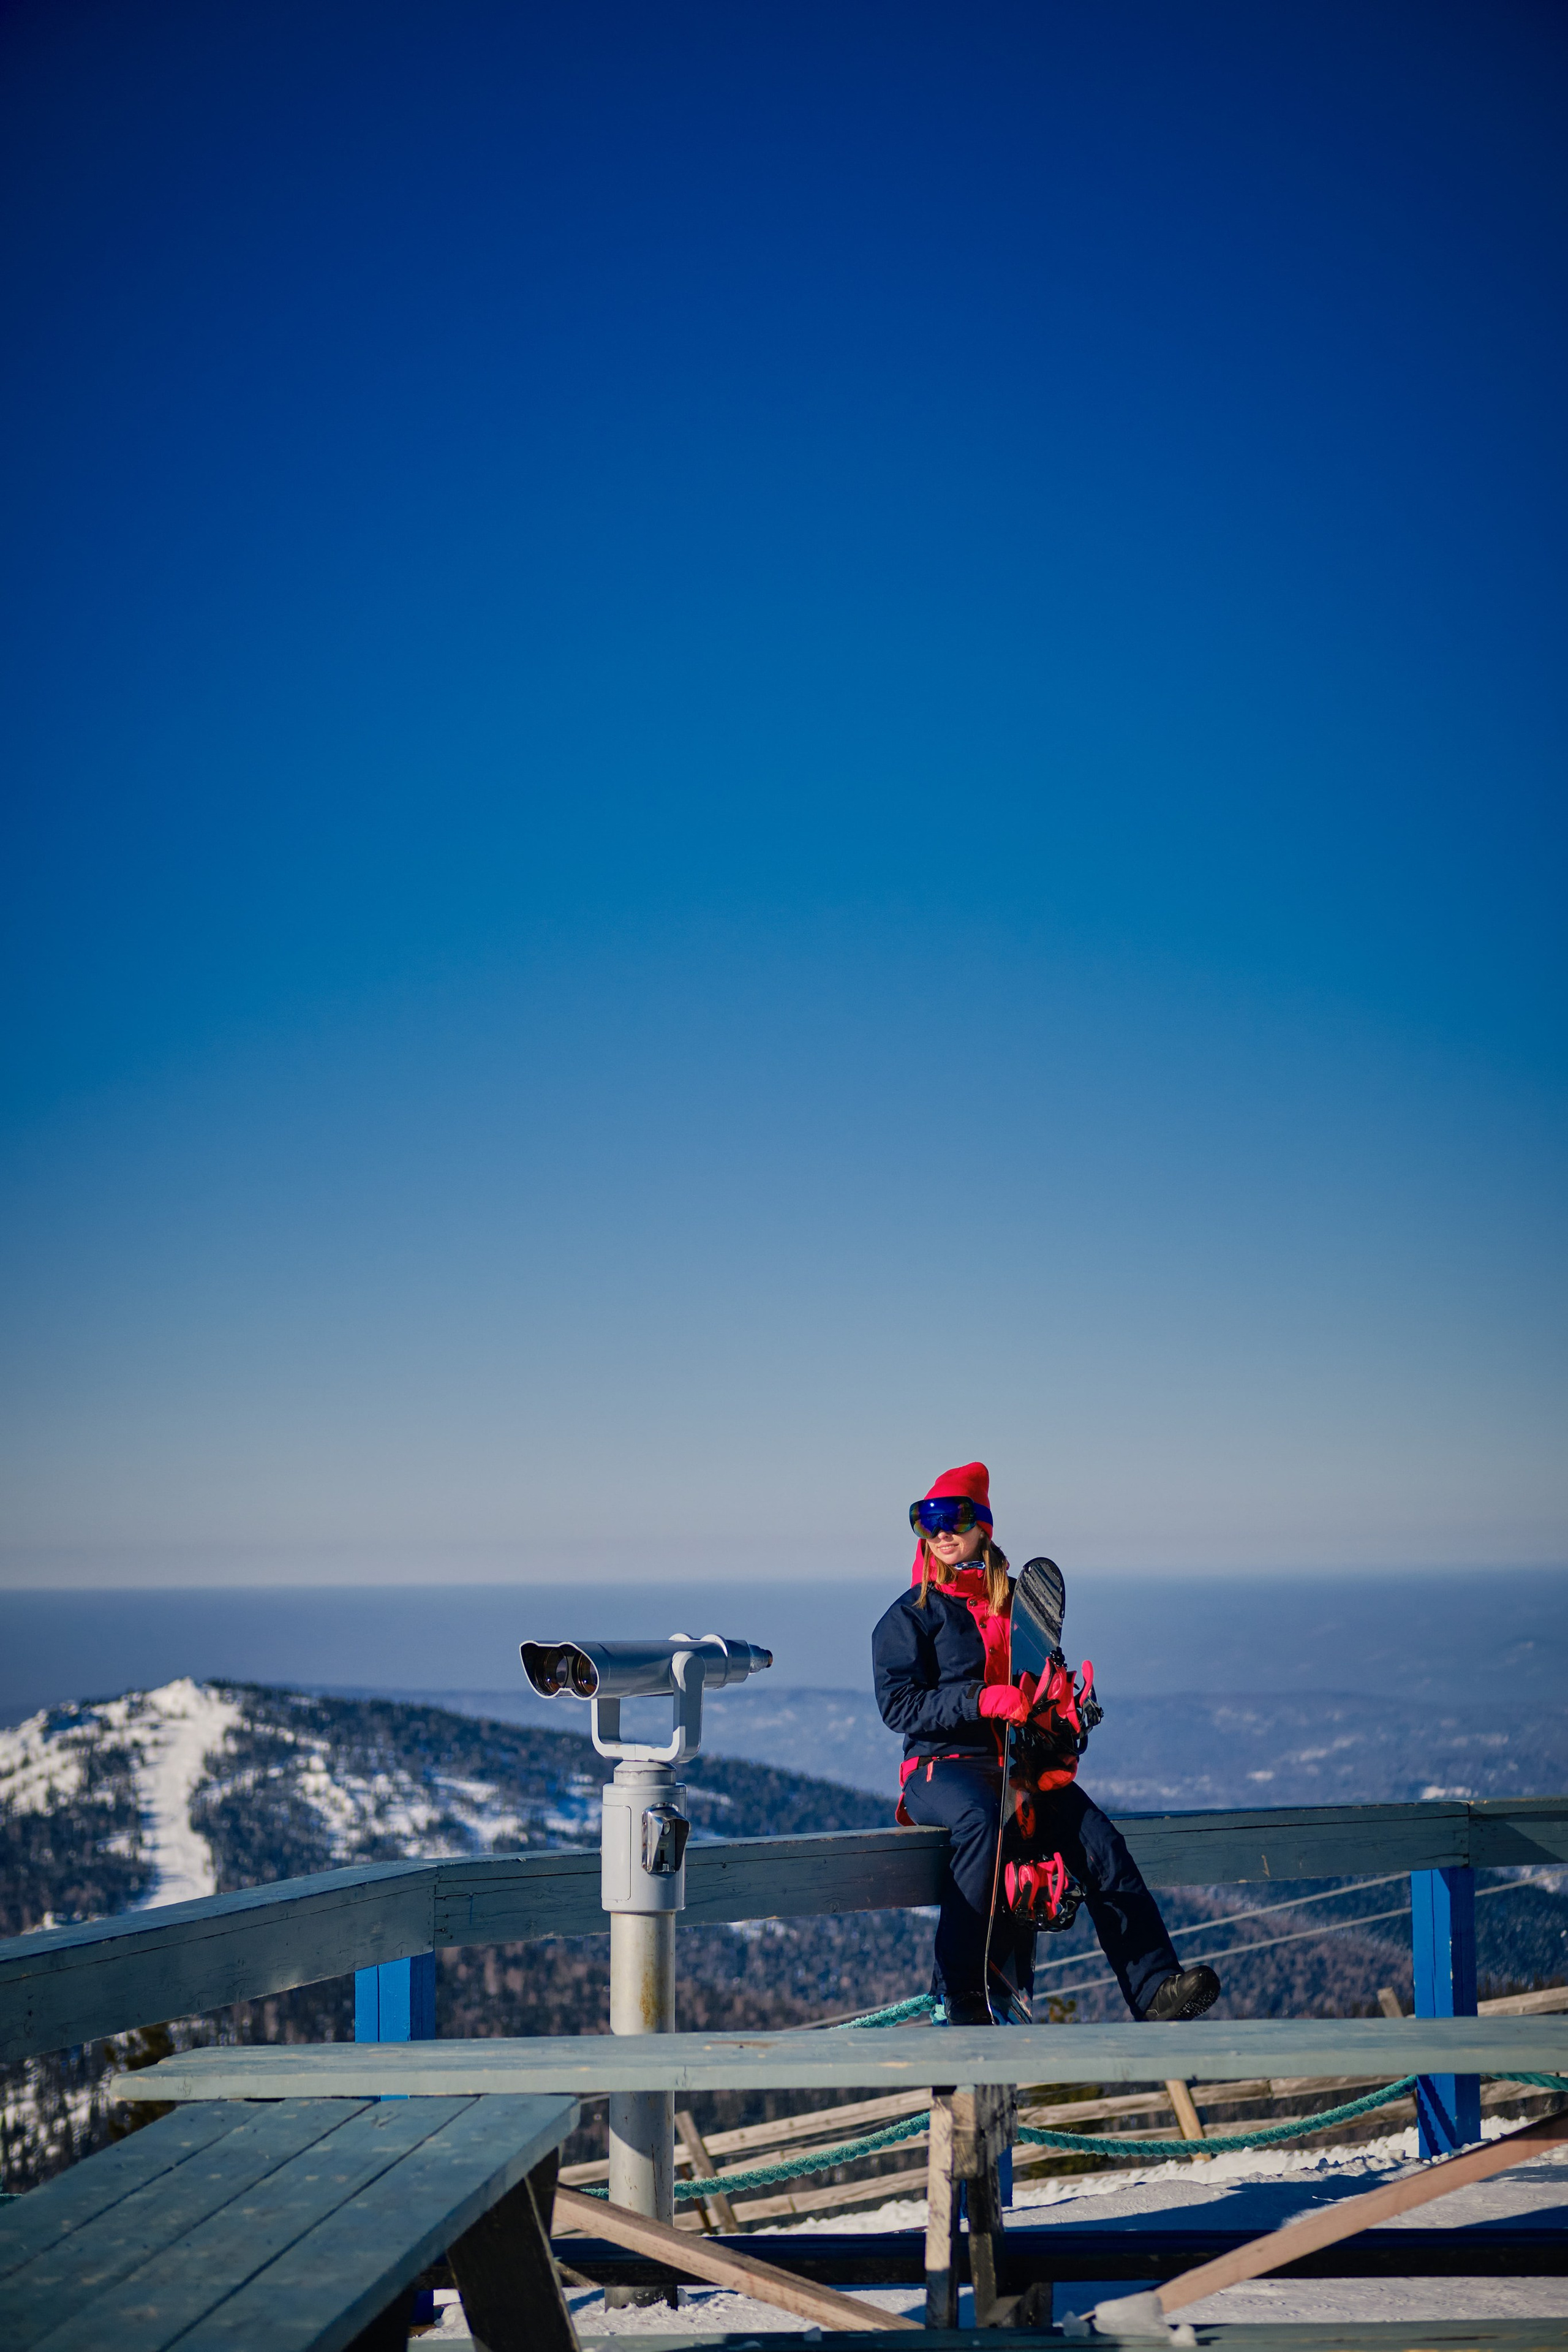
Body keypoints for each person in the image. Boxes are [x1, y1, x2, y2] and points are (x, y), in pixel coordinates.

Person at [872, 1460, 1221, 2027]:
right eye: (924, 1521)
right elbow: (899, 1706)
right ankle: (960, 1992)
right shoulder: (912, 1617)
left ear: (982, 1523)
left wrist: (1060, 1732)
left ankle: (1155, 1987)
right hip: (939, 1767)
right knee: (982, 1821)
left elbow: (1038, 1695)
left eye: (951, 1518)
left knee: (1098, 1839)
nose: (939, 1533)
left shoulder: (1017, 1611)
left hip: (1017, 1766)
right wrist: (980, 1700)